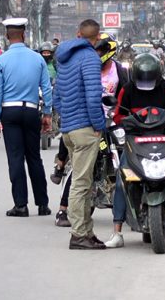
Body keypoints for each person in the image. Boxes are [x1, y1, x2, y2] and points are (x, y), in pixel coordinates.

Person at [106, 53, 165, 249]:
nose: (146, 83)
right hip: (135, 142)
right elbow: (117, 115)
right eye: (142, 79)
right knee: (122, 180)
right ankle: (117, 232)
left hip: (164, 142)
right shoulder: (128, 90)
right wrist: (127, 121)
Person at [52, 32, 128, 228]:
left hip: (111, 123)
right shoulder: (82, 66)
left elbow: (126, 97)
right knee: (77, 167)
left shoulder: (120, 71)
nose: (96, 53)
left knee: (126, 156)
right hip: (86, 123)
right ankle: (63, 206)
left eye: (100, 49)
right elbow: (61, 94)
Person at [0, 18, 53, 218]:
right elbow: (47, 89)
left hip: (10, 113)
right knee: (34, 157)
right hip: (31, 111)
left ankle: (21, 205)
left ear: (8, 37)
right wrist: (48, 114)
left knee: (15, 158)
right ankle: (43, 204)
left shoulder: (1, 60)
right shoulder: (38, 59)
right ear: (24, 35)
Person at [54, 19, 107, 250]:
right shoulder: (91, 58)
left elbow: (57, 93)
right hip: (85, 127)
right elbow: (94, 97)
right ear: (97, 38)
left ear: (78, 34)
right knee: (81, 184)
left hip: (68, 128)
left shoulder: (63, 57)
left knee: (82, 181)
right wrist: (99, 124)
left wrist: (62, 118)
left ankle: (87, 231)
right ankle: (78, 234)